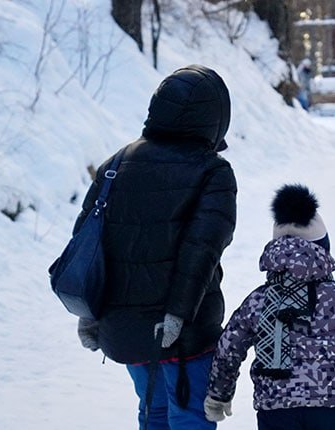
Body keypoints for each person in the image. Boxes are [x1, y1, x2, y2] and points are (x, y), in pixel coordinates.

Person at [74, 65, 238, 430]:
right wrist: (177, 315)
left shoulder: (116, 164)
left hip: (126, 329)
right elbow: (202, 251)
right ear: (215, 116)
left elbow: (87, 243)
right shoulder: (212, 172)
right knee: (190, 417)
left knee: (155, 413)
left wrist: (89, 311)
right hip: (185, 331)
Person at [203, 184, 335, 430]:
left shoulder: (258, 300)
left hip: (276, 409)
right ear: (323, 248)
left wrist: (219, 394)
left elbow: (229, 348)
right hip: (332, 406)